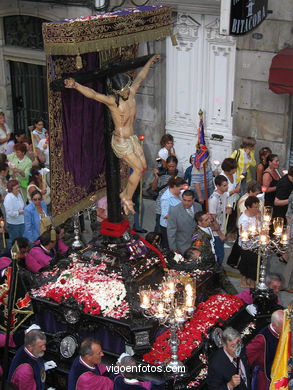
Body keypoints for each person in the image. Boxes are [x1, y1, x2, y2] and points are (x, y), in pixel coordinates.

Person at [64, 54, 160, 215]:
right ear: (116, 91)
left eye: (126, 90)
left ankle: (126, 194)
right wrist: (75, 85)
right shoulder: (113, 102)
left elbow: (141, 77)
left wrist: (150, 61)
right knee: (137, 170)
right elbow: (93, 94)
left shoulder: (132, 91)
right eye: (121, 92)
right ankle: (127, 197)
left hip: (132, 138)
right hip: (121, 140)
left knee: (143, 167)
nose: (125, 93)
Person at [191, 212, 237, 294]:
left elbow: (217, 227)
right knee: (223, 283)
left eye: (209, 218)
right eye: (206, 220)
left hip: (213, 261)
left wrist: (213, 219)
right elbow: (196, 252)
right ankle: (238, 298)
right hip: (208, 265)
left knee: (222, 283)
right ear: (199, 222)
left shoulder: (207, 227)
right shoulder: (198, 237)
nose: (209, 221)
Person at [246, 310, 284, 390]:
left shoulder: (280, 330)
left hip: (279, 371)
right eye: (282, 325)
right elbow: (247, 356)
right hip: (266, 378)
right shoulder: (261, 339)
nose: (285, 327)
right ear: (274, 325)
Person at [227, 180, 261, 269]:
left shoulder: (252, 199)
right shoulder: (245, 201)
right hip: (244, 228)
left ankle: (232, 261)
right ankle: (235, 262)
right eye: (256, 193)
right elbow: (245, 213)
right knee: (241, 246)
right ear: (250, 191)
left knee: (238, 245)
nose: (257, 196)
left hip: (249, 227)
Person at [151, 155, 183, 233]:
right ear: (167, 165)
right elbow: (153, 188)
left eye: (173, 166)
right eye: (169, 166)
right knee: (158, 228)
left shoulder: (180, 175)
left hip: (174, 205)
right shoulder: (162, 173)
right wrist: (156, 177)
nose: (171, 168)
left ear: (176, 165)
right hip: (161, 205)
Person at [167, 189, 202, 254]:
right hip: (182, 248)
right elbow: (171, 233)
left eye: (189, 201)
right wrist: (174, 251)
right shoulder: (174, 211)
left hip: (197, 245)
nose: (186, 203)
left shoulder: (198, 207)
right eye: (184, 200)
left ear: (193, 199)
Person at [238, 196, 261, 288]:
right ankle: (245, 279)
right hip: (247, 245)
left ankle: (252, 279)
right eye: (255, 207)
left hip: (257, 243)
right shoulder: (243, 220)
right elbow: (243, 234)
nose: (257, 209)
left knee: (255, 263)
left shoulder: (257, 214)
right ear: (248, 207)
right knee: (247, 263)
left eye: (258, 206)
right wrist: (254, 234)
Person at [208, 175, 230, 265]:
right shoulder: (213, 200)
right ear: (217, 186)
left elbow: (228, 198)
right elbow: (213, 219)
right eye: (224, 185)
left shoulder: (224, 194)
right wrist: (220, 234)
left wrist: (228, 208)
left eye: (227, 185)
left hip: (222, 228)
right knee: (219, 255)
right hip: (216, 233)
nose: (227, 187)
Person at [159, 176, 186, 248]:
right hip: (168, 227)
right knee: (169, 246)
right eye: (181, 188)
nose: (182, 190)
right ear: (174, 186)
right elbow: (165, 215)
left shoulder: (179, 193)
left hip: (178, 225)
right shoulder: (166, 198)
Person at [221, 158, 241, 239]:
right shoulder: (221, 178)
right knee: (225, 223)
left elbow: (235, 184)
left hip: (233, 201)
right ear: (228, 169)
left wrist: (237, 187)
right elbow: (222, 194)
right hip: (226, 204)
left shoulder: (233, 174)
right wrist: (234, 191)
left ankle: (231, 235)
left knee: (233, 220)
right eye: (234, 169)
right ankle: (223, 237)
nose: (235, 170)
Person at [3, 180, 25, 246]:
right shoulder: (8, 198)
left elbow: (22, 205)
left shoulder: (19, 195)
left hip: (21, 221)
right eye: (16, 188)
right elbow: (10, 213)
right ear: (11, 189)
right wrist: (19, 212)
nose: (19, 189)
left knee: (21, 240)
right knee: (13, 241)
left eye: (19, 187)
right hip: (14, 223)